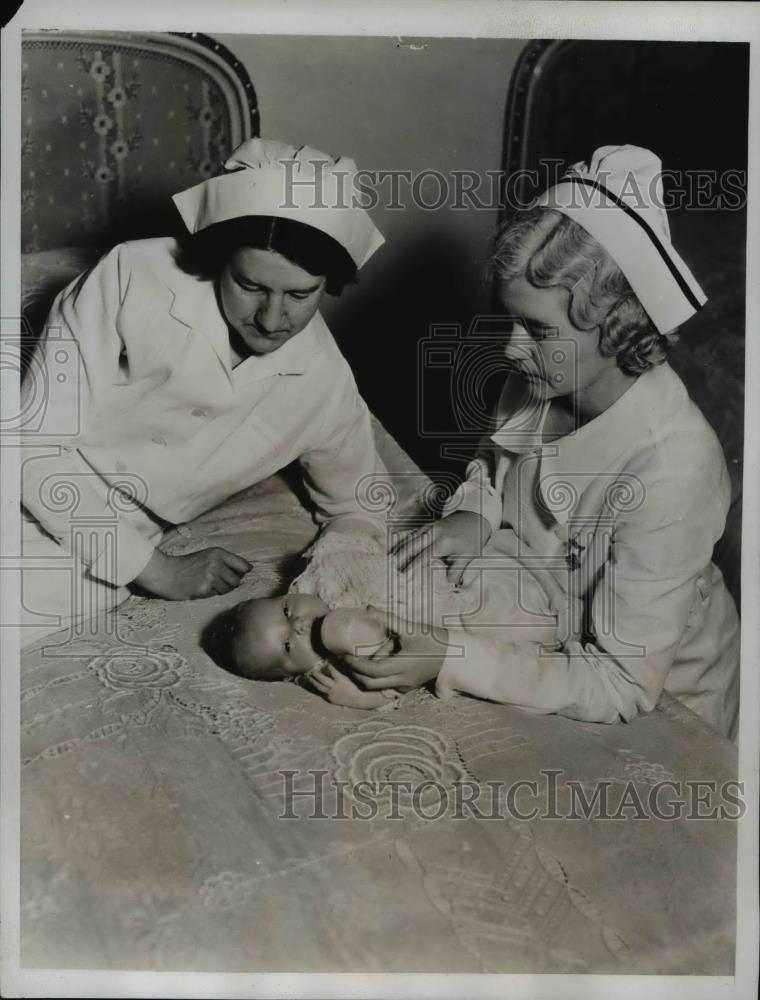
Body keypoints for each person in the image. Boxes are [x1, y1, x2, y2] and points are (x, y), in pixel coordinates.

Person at [342, 145, 741, 741]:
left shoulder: (675, 467)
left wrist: (450, 658)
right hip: (536, 622)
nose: (509, 348)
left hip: (659, 700)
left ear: (620, 325)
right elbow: (491, 466)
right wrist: (476, 515)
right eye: (509, 320)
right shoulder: (543, 373)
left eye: (537, 328)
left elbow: (622, 685)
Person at [19, 139, 386, 647]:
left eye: (301, 295)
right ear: (219, 257)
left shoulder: (325, 384)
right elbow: (27, 443)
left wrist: (335, 575)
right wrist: (153, 567)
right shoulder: (131, 276)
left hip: (88, 556)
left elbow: (363, 505)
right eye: (250, 285)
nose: (272, 319)